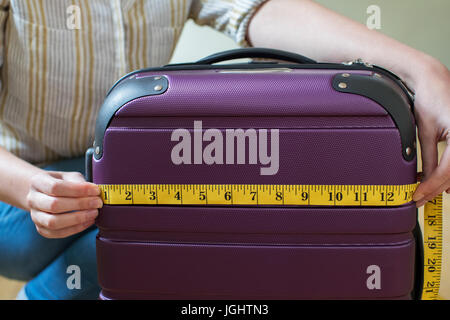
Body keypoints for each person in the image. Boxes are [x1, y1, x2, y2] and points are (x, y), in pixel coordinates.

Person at [0, 0, 448, 300]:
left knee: (151, 232)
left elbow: (261, 9)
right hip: (16, 185)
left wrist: (424, 70)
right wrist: (32, 189)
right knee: (124, 236)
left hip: (116, 172)